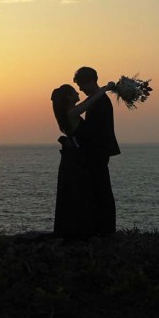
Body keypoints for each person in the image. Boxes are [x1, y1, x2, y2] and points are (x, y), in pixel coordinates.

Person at [50, 75, 116, 240]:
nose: (78, 91)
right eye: (74, 91)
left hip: (75, 157)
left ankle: (82, 227)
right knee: (81, 192)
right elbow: (90, 102)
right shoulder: (72, 112)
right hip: (77, 159)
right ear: (69, 97)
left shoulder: (68, 113)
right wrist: (106, 88)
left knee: (80, 193)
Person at [71, 66, 120, 236]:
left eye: (81, 85)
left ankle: (105, 229)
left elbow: (96, 129)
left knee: (101, 189)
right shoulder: (97, 99)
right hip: (97, 151)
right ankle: (102, 227)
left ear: (90, 82)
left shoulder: (99, 101)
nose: (80, 89)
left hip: (97, 151)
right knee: (99, 188)